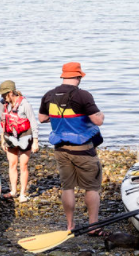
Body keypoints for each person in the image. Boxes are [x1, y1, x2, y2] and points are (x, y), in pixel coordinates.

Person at [38, 62, 105, 232]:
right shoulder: (83, 95)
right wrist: (101, 115)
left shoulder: (49, 95)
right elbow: (97, 121)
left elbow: (42, 118)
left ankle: (70, 225)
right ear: (78, 76)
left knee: (67, 187)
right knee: (92, 187)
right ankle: (93, 225)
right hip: (83, 149)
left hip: (61, 149)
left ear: (64, 76)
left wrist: (58, 118)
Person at [0, 80, 39, 202]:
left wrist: (35, 141)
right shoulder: (2, 104)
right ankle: (13, 191)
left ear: (10, 93)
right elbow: (1, 122)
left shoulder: (25, 104)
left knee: (23, 165)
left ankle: (23, 194)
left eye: (4, 94)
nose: (2, 96)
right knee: (12, 164)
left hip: (25, 136)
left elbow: (33, 123)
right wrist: (2, 140)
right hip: (10, 136)